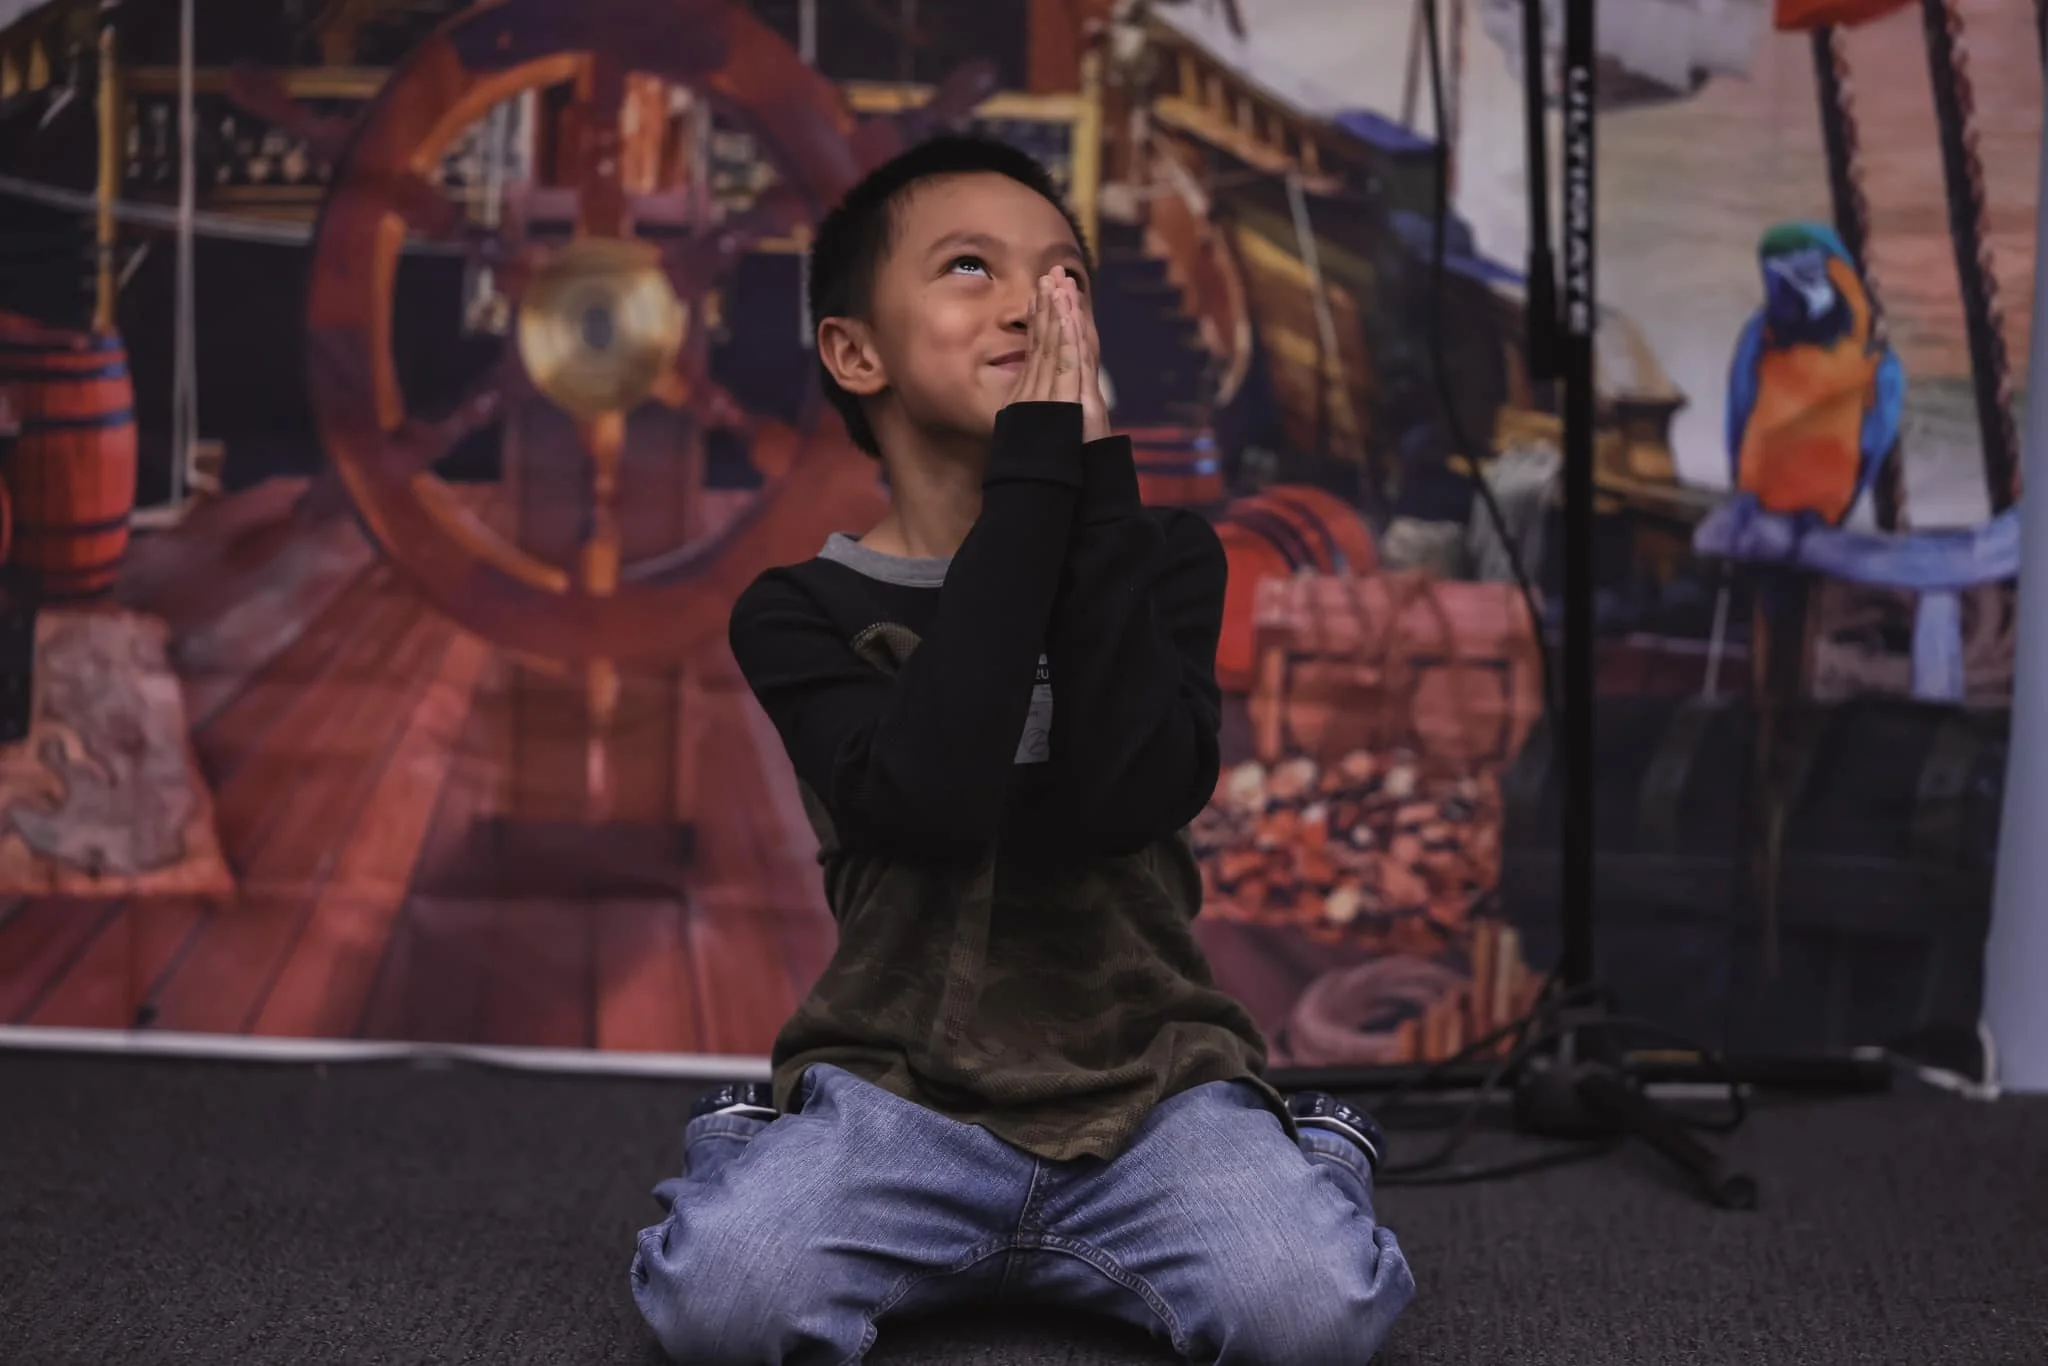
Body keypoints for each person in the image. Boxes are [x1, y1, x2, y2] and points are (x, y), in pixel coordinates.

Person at [630, 134, 1414, 1366]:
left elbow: (1128, 795)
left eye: (1060, 278)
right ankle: (748, 1140)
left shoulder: (1168, 561)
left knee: (1308, 1314)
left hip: (1155, 1099)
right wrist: (1038, 470)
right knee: (720, 1307)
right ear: (855, 352)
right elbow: (929, 798)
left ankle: (1311, 1150)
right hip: (899, 1099)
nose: (1027, 305)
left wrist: (1086, 477)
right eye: (967, 267)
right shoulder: (798, 610)